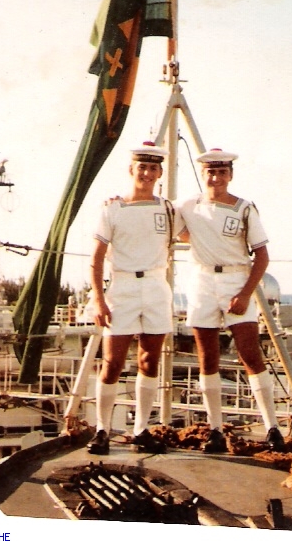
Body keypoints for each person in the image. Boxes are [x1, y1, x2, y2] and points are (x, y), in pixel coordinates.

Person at [175, 147, 285, 453]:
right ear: (203, 174)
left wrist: (245, 293)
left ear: (230, 175)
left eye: (222, 172)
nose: (216, 178)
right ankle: (215, 430)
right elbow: (163, 216)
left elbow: (261, 256)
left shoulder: (245, 208)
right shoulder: (188, 205)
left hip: (236, 280)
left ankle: (272, 427)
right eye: (210, 172)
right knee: (207, 358)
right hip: (202, 280)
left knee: (250, 354)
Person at [87, 141, 174, 456]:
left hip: (156, 286)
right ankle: (102, 430)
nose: (147, 173)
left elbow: (196, 231)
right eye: (142, 167)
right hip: (122, 286)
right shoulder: (112, 208)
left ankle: (141, 430)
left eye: (152, 168)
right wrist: (99, 300)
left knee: (150, 360)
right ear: (131, 169)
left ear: (160, 173)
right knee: (113, 362)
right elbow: (96, 259)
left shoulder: (168, 209)